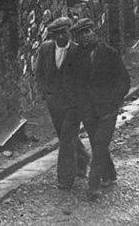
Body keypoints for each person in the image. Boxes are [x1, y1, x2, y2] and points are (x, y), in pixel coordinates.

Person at [69, 17, 131, 201]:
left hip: (107, 110)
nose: (86, 36)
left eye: (88, 31)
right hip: (88, 111)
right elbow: (72, 82)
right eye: (81, 34)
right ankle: (110, 174)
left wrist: (114, 103)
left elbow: (124, 81)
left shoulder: (110, 53)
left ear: (94, 31)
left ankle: (93, 185)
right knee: (99, 145)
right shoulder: (76, 56)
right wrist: (80, 102)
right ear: (78, 38)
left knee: (99, 144)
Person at [34, 16, 90, 189]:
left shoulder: (78, 51)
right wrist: (46, 93)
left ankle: (65, 179)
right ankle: (83, 159)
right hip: (54, 104)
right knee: (66, 136)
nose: (60, 37)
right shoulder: (45, 49)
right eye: (57, 34)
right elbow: (39, 73)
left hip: (74, 105)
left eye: (63, 33)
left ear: (69, 33)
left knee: (66, 140)